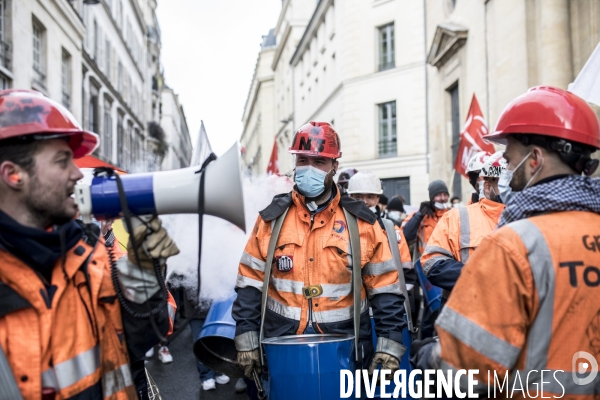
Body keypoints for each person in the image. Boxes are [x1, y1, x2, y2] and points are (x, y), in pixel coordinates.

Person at [412, 86, 600, 397]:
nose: (506, 173)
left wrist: (430, 357)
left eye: (510, 160)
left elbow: (470, 370)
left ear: (535, 159)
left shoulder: (514, 244)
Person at [0, 89, 179, 399]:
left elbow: (136, 344)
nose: (75, 174)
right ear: (13, 175)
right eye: (61, 161)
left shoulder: (90, 254)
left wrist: (145, 271)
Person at [232, 121, 407, 381]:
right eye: (303, 160)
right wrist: (246, 335)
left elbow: (385, 289)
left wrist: (390, 344)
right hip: (282, 349)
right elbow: (249, 282)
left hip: (345, 351)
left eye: (319, 162)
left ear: (334, 167)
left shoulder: (361, 223)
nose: (309, 169)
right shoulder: (271, 219)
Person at [420, 152, 506, 297]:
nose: (511, 189)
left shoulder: (532, 217)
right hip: (467, 309)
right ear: (487, 186)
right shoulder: (456, 216)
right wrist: (479, 278)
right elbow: (432, 262)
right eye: (504, 182)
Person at [347, 171, 416, 303]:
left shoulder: (391, 230)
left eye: (370, 196)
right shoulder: (340, 228)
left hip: (386, 305)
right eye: (358, 196)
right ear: (350, 196)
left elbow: (406, 272)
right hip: (350, 308)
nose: (364, 202)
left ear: (378, 199)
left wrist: (403, 304)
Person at [402, 180, 450, 257]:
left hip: (449, 260)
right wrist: (419, 215)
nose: (443, 198)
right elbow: (406, 234)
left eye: (445, 194)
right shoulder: (421, 214)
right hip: (425, 262)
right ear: (431, 198)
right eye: (438, 195)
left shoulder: (453, 214)